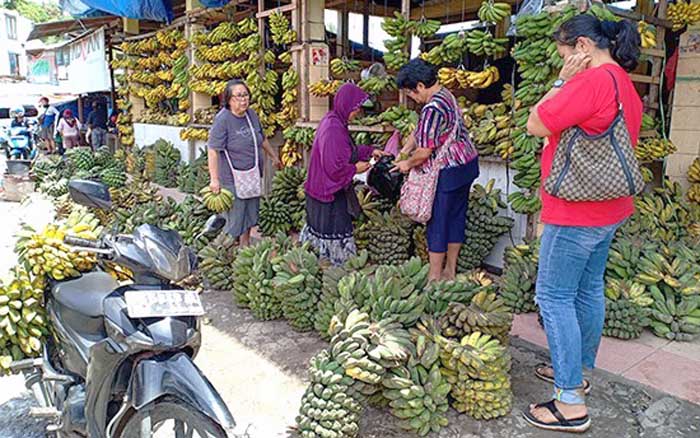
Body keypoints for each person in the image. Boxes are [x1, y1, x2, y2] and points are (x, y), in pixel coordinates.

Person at [522, 14, 642, 433]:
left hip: (576, 211)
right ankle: (576, 372)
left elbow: (535, 124)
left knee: (553, 296)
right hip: (610, 207)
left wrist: (561, 80)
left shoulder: (588, 82)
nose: (566, 59)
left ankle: (570, 401)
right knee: (588, 290)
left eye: (566, 52)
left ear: (583, 48)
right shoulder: (624, 81)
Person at [394, 59, 480, 282]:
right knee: (456, 218)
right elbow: (421, 131)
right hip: (466, 165)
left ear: (420, 86)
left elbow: (424, 153)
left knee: (438, 223)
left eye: (411, 93)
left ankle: (434, 277)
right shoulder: (446, 95)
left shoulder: (432, 108)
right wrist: (405, 148)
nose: (413, 98)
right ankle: (450, 271)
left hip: (447, 171)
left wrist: (407, 163)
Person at [300, 83, 384, 265]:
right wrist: (355, 169)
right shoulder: (332, 129)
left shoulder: (336, 121)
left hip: (322, 191)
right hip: (328, 193)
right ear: (345, 105)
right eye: (355, 108)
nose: (358, 113)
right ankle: (335, 270)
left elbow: (346, 151)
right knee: (333, 234)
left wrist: (369, 151)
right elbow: (333, 167)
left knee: (322, 237)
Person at [207, 79, 280, 247]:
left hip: (252, 174)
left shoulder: (251, 115)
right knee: (236, 216)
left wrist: (273, 156)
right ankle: (225, 252)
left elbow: (261, 139)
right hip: (232, 177)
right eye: (239, 96)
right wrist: (214, 179)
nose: (244, 99)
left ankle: (244, 246)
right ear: (228, 99)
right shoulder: (223, 119)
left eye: (246, 95)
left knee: (250, 213)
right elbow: (213, 150)